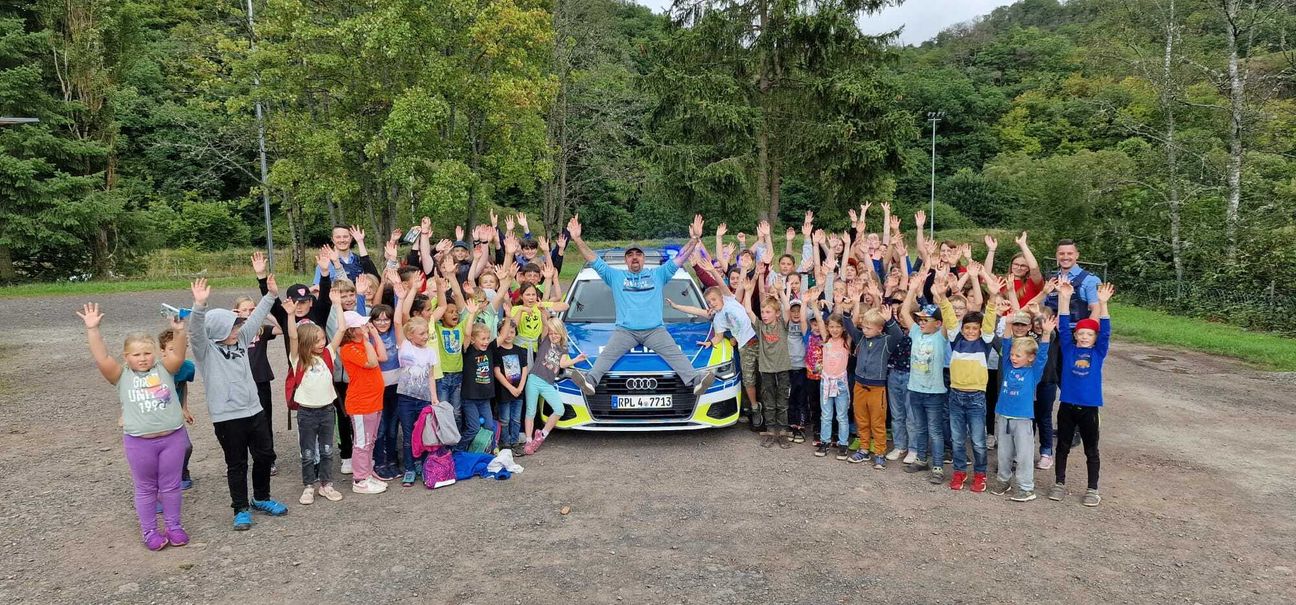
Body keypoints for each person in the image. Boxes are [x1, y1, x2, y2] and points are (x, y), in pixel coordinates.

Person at [564, 214, 716, 397]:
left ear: (643, 258)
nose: (634, 258)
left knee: (676, 355)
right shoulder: (615, 276)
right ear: (626, 260)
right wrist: (577, 239)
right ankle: (589, 382)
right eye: (630, 255)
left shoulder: (658, 274)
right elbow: (593, 259)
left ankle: (696, 382)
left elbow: (680, 258)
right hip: (625, 332)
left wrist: (695, 238)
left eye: (638, 254)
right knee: (607, 356)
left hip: (655, 331)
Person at [79, 303, 191, 550]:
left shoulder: (165, 369)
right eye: (136, 354)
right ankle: (149, 531)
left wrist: (179, 331)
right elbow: (101, 357)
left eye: (147, 353)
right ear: (126, 357)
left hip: (172, 438)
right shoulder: (121, 376)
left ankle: (174, 526)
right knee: (146, 488)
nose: (143, 358)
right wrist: (93, 329)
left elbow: (179, 354)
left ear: (156, 353)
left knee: (171, 486)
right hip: (139, 442)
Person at [189, 276, 289, 530]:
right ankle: (241, 508)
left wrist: (270, 295)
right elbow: (196, 333)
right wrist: (199, 306)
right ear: (218, 331)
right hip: (227, 417)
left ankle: (261, 498)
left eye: (237, 327)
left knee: (264, 455)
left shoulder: (242, 339)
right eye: (232, 328)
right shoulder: (206, 352)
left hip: (254, 410)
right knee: (237, 464)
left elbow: (256, 319)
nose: (238, 331)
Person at [1049, 280, 1115, 507]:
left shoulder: (1098, 352)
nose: (1085, 337)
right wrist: (1064, 298)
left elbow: (1106, 331)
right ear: (1076, 335)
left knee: (1091, 450)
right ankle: (1059, 483)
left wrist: (1103, 304)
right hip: (1067, 406)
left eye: (1089, 334)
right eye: (1081, 333)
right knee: (1063, 447)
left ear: (1095, 338)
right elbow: (1063, 324)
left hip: (1089, 409)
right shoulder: (1069, 349)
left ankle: (1092, 489)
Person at [943, 268, 1000, 493]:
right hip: (956, 395)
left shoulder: (984, 343)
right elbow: (949, 319)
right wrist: (942, 297)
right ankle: (959, 472)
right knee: (958, 440)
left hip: (976, 397)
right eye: (967, 327)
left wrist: (993, 297)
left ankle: (980, 474)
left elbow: (989, 322)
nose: (970, 331)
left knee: (977, 440)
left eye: (974, 328)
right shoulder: (956, 340)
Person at [989, 316, 1056, 503]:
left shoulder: (1033, 372)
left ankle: (1026, 488)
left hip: (1022, 419)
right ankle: (1003, 481)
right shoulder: (1007, 366)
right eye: (1012, 354)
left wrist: (1047, 333)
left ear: (1030, 358)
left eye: (1018, 356)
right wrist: (1008, 324)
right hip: (1004, 416)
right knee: (1004, 453)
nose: (1013, 358)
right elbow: (1006, 343)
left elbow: (1043, 354)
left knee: (1024, 455)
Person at [897, 267, 954, 486]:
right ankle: (921, 459)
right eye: (920, 319)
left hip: (934, 393)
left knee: (935, 431)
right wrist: (912, 289)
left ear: (937, 323)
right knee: (920, 428)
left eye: (926, 320)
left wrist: (941, 296)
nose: (921, 322)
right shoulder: (915, 332)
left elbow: (948, 317)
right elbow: (904, 312)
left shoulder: (941, 336)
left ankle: (938, 466)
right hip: (915, 389)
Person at [283, 302, 344, 505]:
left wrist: (337, 305)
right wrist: (290, 315)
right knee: (308, 453)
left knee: (327, 450)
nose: (321, 343)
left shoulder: (328, 354)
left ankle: (326, 485)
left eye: (322, 339)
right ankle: (309, 485)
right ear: (306, 342)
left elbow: (341, 329)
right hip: (306, 413)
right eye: (316, 340)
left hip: (327, 411)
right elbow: (293, 336)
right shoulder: (298, 359)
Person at [331, 309, 389, 495]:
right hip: (361, 404)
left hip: (374, 402)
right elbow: (372, 363)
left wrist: (374, 335)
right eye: (360, 325)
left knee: (370, 441)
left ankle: (367, 473)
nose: (365, 326)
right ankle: (360, 479)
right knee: (362, 443)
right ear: (351, 330)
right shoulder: (348, 349)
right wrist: (366, 339)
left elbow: (383, 357)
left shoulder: (364, 344)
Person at [842, 305, 904, 469]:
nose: (864, 330)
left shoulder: (886, 342)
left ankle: (879, 452)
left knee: (877, 422)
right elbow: (849, 326)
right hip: (859, 386)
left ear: (879, 328)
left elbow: (898, 335)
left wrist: (890, 320)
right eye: (863, 327)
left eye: (869, 328)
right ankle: (863, 449)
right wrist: (846, 311)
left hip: (877, 389)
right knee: (861, 419)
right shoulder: (861, 338)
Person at [393, 281, 441, 487]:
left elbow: (431, 376)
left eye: (426, 333)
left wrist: (434, 398)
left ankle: (423, 464)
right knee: (408, 434)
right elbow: (397, 322)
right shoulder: (404, 345)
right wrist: (401, 299)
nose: (426, 336)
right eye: (422, 334)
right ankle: (409, 468)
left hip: (423, 399)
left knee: (423, 433)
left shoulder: (430, 352)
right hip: (406, 398)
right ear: (411, 335)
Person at [523, 318, 587, 455]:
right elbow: (545, 323)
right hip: (534, 379)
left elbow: (562, 364)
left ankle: (541, 436)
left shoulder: (563, 348)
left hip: (547, 384)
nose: (553, 335)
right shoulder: (545, 341)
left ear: (561, 332)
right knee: (530, 411)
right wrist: (545, 312)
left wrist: (576, 359)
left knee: (559, 409)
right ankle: (528, 440)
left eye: (556, 333)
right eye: (551, 333)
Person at [158, 328, 197, 490]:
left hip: (175, 416)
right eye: (171, 349)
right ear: (162, 351)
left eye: (181, 348)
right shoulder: (156, 370)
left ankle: (182, 471)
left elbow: (183, 385)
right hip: (157, 417)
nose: (176, 353)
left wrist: (184, 408)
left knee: (186, 447)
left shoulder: (187, 368)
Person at [813, 312, 852, 459]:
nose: (834, 330)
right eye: (831, 326)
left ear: (843, 328)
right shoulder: (826, 339)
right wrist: (814, 305)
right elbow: (819, 320)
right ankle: (825, 442)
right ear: (828, 327)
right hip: (826, 382)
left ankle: (843, 444)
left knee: (841, 416)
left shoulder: (846, 341)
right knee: (826, 415)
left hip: (840, 382)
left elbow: (853, 322)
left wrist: (852, 304)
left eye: (838, 327)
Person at [458, 317, 496, 452]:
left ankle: (485, 450)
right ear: (473, 339)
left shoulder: (489, 350)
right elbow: (467, 334)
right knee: (473, 428)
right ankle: (458, 450)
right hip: (469, 398)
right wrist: (472, 313)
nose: (486, 342)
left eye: (488, 338)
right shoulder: (468, 351)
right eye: (483, 339)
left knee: (489, 427)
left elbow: (502, 336)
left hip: (484, 398)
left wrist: (508, 317)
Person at [493, 318, 529, 450]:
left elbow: (524, 369)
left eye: (512, 332)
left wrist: (520, 387)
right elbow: (497, 372)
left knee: (516, 419)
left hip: (518, 391)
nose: (509, 335)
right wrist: (510, 388)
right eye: (506, 332)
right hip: (504, 392)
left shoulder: (520, 350)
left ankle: (515, 442)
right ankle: (505, 443)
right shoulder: (497, 351)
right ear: (499, 333)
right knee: (505, 419)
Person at [1043, 239, 1101, 319]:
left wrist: (1089, 326)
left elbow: (1096, 310)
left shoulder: (1090, 280)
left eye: (1070, 253)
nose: (1065, 257)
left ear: (1077, 255)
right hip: (1051, 326)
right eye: (1061, 254)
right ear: (1056, 255)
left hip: (1077, 326)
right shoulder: (1051, 280)